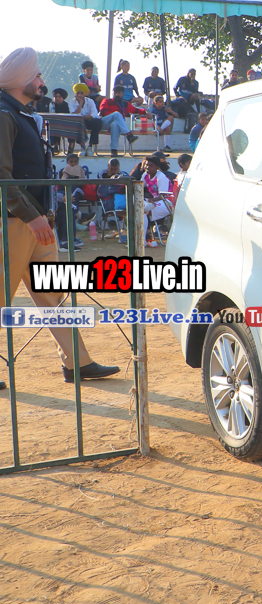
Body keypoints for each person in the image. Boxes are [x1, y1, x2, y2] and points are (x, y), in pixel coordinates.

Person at [0, 47, 118, 384]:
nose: (42, 81)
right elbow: (1, 176)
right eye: (37, 75)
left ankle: (77, 363)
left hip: (33, 221)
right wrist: (31, 215)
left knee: (54, 295)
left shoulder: (20, 114)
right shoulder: (4, 114)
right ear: (21, 79)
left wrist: (42, 215)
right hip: (13, 222)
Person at [98, 86, 142, 157]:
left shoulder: (125, 103)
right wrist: (115, 116)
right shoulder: (107, 101)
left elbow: (136, 110)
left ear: (122, 94)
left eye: (119, 92)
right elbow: (103, 112)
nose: (117, 94)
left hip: (115, 125)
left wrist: (146, 112)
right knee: (117, 114)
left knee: (115, 125)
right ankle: (128, 134)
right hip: (104, 122)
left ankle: (114, 151)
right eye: (115, 92)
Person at [140, 154, 173, 248]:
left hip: (167, 202)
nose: (147, 167)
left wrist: (150, 200)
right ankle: (143, 239)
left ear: (157, 167)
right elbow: (139, 187)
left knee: (145, 209)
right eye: (146, 165)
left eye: (151, 166)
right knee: (140, 207)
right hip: (155, 201)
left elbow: (163, 196)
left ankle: (143, 239)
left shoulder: (161, 177)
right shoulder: (145, 175)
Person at [97, 157, 128, 242]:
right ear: (108, 166)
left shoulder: (123, 173)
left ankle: (122, 228)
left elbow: (127, 179)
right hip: (107, 197)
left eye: (115, 169)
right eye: (112, 168)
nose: (113, 171)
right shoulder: (103, 172)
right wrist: (111, 174)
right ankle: (105, 222)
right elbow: (103, 180)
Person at [69, 83, 102, 156]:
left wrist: (82, 116)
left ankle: (90, 146)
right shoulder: (71, 102)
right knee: (79, 122)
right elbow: (74, 115)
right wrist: (80, 103)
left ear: (85, 94)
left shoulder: (90, 101)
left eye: (81, 93)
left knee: (97, 121)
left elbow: (95, 114)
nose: (79, 95)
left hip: (88, 121)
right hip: (78, 123)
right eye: (78, 93)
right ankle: (82, 146)